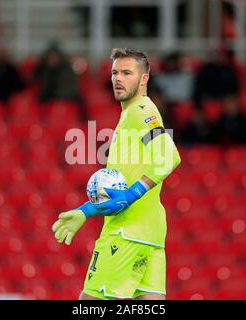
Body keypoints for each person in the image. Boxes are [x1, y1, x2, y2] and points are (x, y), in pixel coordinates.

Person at [52, 48, 181, 300]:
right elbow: (120, 188)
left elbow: (169, 156)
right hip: (150, 235)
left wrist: (131, 195)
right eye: (114, 73)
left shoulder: (141, 111)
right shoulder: (132, 114)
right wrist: (86, 210)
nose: (118, 79)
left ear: (144, 79)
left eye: (126, 73)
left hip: (125, 234)